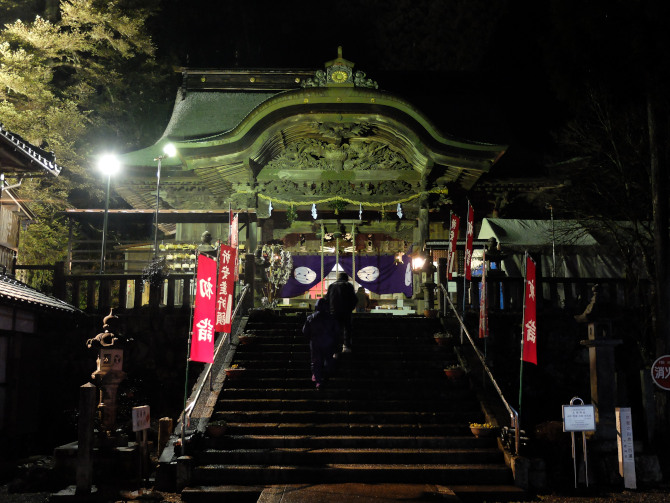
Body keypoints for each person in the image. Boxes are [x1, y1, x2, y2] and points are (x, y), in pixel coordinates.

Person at [302, 297, 338, 389]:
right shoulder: (331, 318)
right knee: (328, 360)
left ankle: (318, 381)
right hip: (328, 342)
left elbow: (305, 331)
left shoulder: (311, 318)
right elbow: (336, 332)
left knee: (316, 362)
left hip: (315, 343)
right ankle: (326, 378)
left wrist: (311, 338)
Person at [327, 272, 358, 353]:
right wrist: (351, 308)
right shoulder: (349, 286)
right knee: (347, 329)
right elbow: (354, 299)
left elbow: (327, 299)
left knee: (336, 330)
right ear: (346, 278)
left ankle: (335, 349)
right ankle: (346, 346)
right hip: (346, 311)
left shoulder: (332, 286)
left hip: (334, 312)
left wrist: (330, 309)